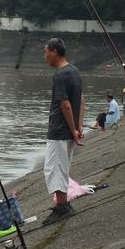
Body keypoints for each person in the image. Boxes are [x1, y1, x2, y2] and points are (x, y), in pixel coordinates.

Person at [42, 38, 85, 225]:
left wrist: (72, 129)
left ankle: (61, 206)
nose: (45, 56)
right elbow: (82, 100)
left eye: (46, 52)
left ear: (54, 51)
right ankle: (64, 204)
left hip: (59, 130)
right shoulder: (74, 71)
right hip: (69, 129)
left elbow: (65, 104)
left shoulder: (60, 75)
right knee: (63, 167)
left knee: (54, 169)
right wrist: (78, 126)